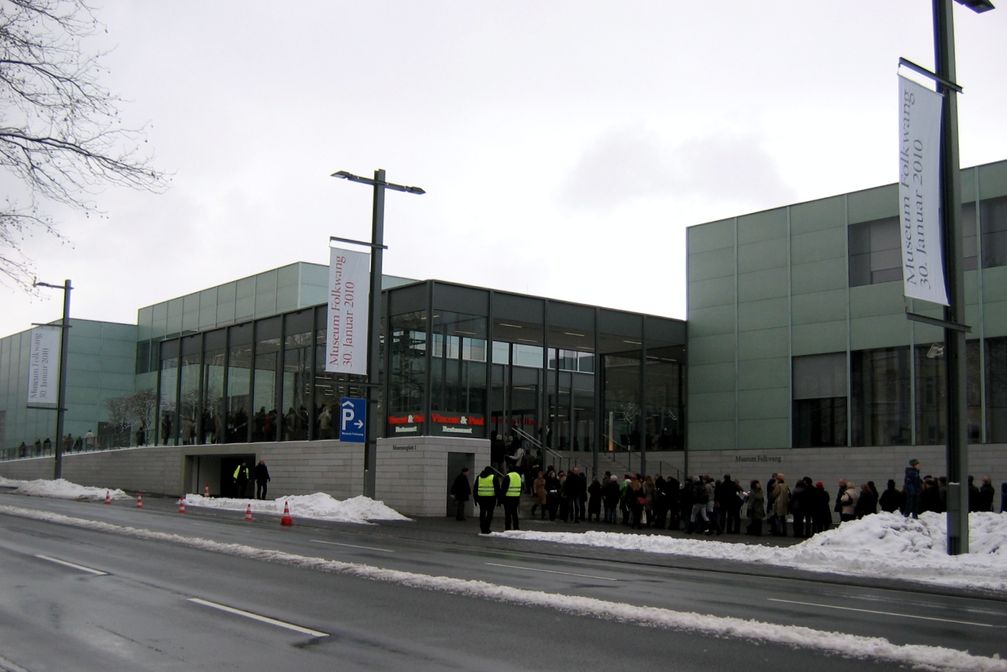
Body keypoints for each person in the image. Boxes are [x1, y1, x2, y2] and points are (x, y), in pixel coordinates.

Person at [474, 466, 499, 534]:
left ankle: (482, 528)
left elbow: (475, 488)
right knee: (489, 514)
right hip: (491, 498)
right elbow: (497, 489)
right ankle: (487, 528)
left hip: (481, 498)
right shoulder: (493, 477)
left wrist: (475, 499)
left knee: (482, 513)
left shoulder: (479, 477)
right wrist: (498, 499)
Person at [501, 465, 522, 530]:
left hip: (508, 498)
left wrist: (501, 498)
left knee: (508, 514)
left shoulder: (508, 476)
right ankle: (516, 527)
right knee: (514, 513)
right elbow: (522, 487)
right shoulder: (518, 476)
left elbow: (504, 488)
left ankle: (508, 528)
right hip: (516, 497)